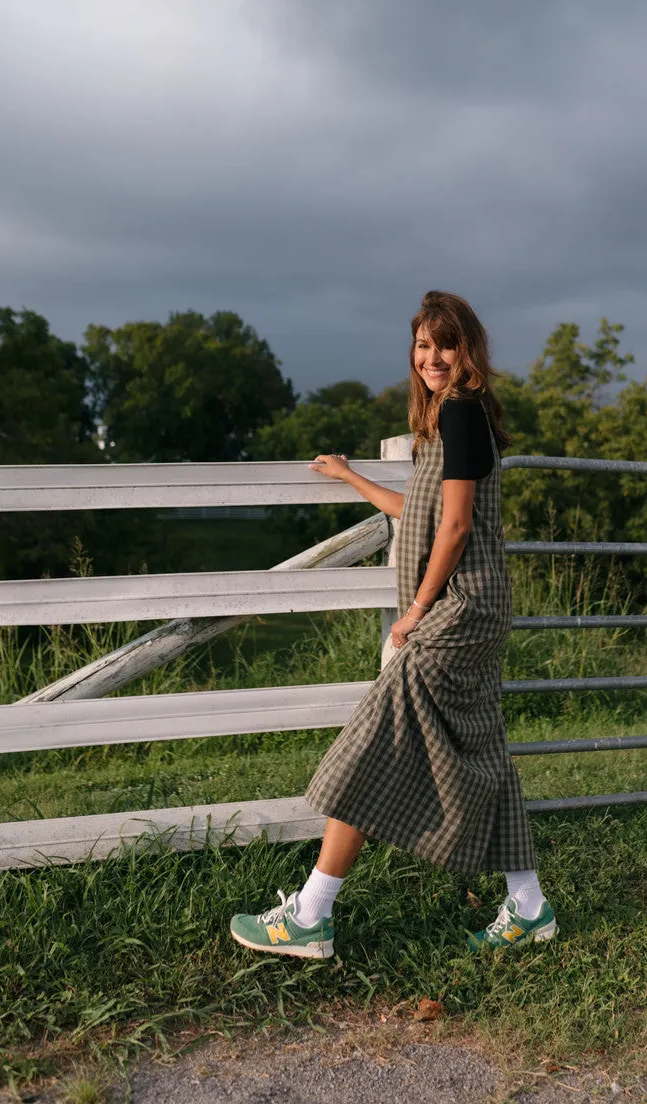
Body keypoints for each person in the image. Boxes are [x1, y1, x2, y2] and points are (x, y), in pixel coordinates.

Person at [230, 290, 557, 958]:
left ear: (466, 350)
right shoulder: (448, 419)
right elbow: (426, 511)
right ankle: (528, 906)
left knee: (372, 746)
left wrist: (415, 610)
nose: (430, 357)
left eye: (443, 344)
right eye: (421, 345)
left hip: (457, 610)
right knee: (480, 754)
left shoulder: (462, 414)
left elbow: (458, 526)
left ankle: (312, 914)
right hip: (470, 606)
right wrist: (350, 478)